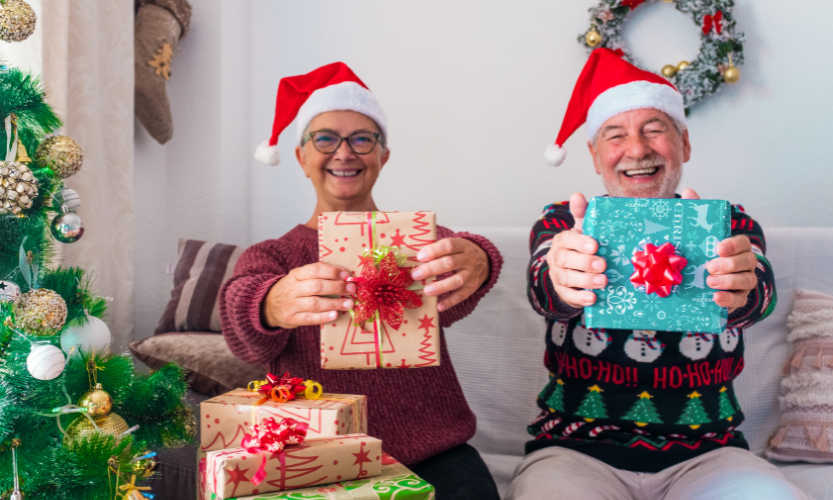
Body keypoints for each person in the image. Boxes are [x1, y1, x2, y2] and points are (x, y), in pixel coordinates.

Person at [508, 48, 804, 499]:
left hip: (710, 455)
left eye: (654, 130)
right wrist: (563, 277)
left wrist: (742, 286)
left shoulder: (730, 223)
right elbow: (542, 287)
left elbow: (758, 293)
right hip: (575, 453)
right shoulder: (563, 223)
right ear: (593, 155)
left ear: (684, 144)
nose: (637, 150)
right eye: (615, 135)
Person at [219, 62, 502, 500]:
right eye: (326, 138)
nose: (344, 153)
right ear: (302, 157)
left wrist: (481, 258)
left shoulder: (414, 238)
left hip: (437, 452)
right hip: (318, 455)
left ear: (382, 156)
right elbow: (241, 323)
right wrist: (270, 304)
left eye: (362, 139)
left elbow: (464, 269)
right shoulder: (273, 255)